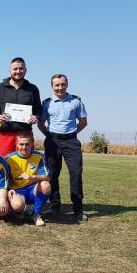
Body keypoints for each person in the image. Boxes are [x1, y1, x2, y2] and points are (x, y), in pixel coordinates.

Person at [38, 74, 88, 222]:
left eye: (62, 84)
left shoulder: (76, 101)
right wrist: (48, 134)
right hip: (52, 141)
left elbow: (83, 121)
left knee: (76, 173)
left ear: (67, 84)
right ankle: (55, 206)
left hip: (71, 142)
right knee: (52, 174)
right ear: (52, 86)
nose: (60, 88)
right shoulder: (46, 103)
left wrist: (71, 134)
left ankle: (78, 210)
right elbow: (40, 122)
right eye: (56, 85)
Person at [0, 57, 42, 157]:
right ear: (10, 71)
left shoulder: (33, 89)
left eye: (21, 69)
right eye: (15, 69)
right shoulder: (0, 87)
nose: (18, 71)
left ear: (25, 70)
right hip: (4, 134)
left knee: (25, 166)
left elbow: (39, 110)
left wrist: (36, 117)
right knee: (3, 164)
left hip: (25, 135)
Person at [5, 132, 51, 226]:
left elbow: (47, 177)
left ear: (32, 144)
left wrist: (32, 177)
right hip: (17, 190)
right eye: (21, 144)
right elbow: (4, 178)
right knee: (17, 206)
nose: (24, 147)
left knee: (46, 185)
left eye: (27, 144)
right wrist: (9, 189)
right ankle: (23, 209)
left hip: (32, 189)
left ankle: (35, 214)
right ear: (16, 144)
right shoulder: (9, 159)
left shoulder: (39, 156)